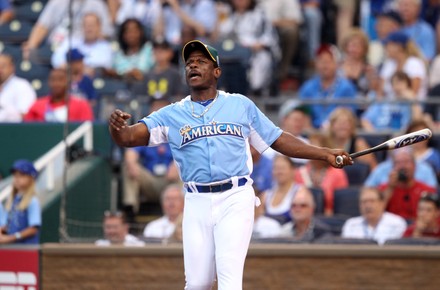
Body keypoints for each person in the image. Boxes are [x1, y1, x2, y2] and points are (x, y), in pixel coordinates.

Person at [108, 39, 352, 289]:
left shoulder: (240, 105)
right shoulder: (172, 113)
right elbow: (128, 137)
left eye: (201, 61)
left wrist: (323, 153)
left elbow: (277, 139)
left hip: (235, 196)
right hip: (195, 199)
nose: (193, 66)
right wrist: (117, 128)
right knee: (197, 283)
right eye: (189, 63)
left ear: (217, 72)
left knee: (229, 278)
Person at [217, 0, 279, 96]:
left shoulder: (260, 14)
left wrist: (256, 45)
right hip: (230, 54)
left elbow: (269, 38)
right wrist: (218, 18)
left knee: (262, 61)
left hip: (254, 52)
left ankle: (255, 92)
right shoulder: (228, 14)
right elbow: (218, 37)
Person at [22, 0, 113, 59]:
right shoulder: (56, 2)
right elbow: (42, 26)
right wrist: (31, 46)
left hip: (85, 48)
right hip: (57, 47)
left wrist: (89, 36)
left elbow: (106, 33)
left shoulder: (96, 4)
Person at [298, 43, 358, 128]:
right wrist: (312, 133)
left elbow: (349, 116)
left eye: (328, 61)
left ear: (337, 64)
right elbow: (303, 114)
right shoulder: (307, 87)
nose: (324, 65)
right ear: (316, 64)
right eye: (321, 61)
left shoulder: (347, 87)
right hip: (313, 135)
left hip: (337, 133)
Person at [294, 132, 349, 216]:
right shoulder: (299, 173)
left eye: (314, 146)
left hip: (329, 219)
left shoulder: (337, 174)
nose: (310, 151)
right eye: (309, 146)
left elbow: (343, 203)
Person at [379, 147, 437, 222]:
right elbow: (377, 211)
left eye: (406, 162)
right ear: (393, 167)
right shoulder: (384, 189)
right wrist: (390, 188)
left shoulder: (427, 190)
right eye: (398, 163)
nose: (403, 166)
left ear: (414, 166)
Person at [341, 187, 407, 245]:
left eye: (372, 201)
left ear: (382, 203)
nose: (368, 206)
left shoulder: (397, 223)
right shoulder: (351, 224)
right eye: (364, 202)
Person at [24, 68, 94, 122]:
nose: (56, 84)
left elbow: (87, 130)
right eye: (53, 80)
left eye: (61, 80)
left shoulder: (81, 106)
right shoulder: (37, 105)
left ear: (68, 82)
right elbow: (27, 130)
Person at [378, 31, 427, 101]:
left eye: (388, 45)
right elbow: (380, 92)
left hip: (410, 106)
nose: (385, 48)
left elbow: (413, 94)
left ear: (399, 47)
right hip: (388, 107)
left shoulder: (414, 63)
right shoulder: (389, 64)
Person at [0, 160, 41, 244]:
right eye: (15, 175)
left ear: (31, 178)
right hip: (13, 249)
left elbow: (33, 229)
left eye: (22, 175)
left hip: (27, 250)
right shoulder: (12, 201)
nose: (17, 179)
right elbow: (6, 225)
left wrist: (12, 237)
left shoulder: (33, 201)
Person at [264, 154, 301, 225]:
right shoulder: (266, 195)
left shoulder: (300, 193)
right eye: (276, 168)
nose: (279, 172)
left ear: (293, 170)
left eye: (282, 168)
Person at [0, 54, 37, 122]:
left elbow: (25, 114)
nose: (0, 70)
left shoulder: (22, 85)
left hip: (12, 129)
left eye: (3, 66)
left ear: (12, 67)